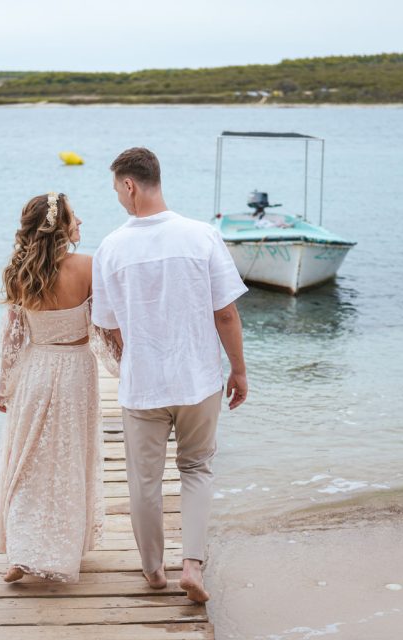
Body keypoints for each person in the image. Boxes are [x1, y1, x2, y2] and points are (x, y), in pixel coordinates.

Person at [92, 147, 248, 603]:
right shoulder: (202, 235)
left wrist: (137, 356)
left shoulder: (110, 247)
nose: (118, 197)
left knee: (145, 481)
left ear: (129, 185)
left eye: (117, 189)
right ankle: (193, 565)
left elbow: (109, 325)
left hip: (143, 385)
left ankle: (154, 569)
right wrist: (238, 370)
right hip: (199, 380)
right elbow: (226, 314)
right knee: (196, 468)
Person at [0, 192, 120, 583]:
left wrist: (3, 385)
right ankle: (63, 549)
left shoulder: (19, 272)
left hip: (35, 371)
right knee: (68, 460)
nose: (80, 222)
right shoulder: (89, 266)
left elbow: (11, 337)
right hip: (76, 371)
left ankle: (19, 555)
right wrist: (126, 366)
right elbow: (105, 327)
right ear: (60, 225)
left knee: (26, 461)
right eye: (75, 216)